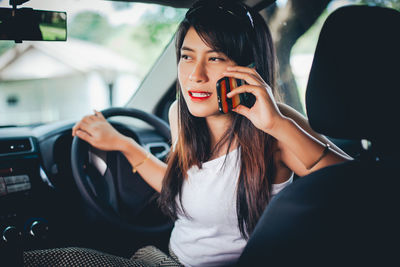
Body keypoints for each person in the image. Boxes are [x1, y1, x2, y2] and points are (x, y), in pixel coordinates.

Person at [23, 0, 351, 266]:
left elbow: (356, 186)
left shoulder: (275, 127)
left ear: (248, 68)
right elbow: (182, 184)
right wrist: (123, 144)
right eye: (186, 57)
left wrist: (277, 125)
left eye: (215, 58)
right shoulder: (179, 117)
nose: (195, 75)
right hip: (168, 258)